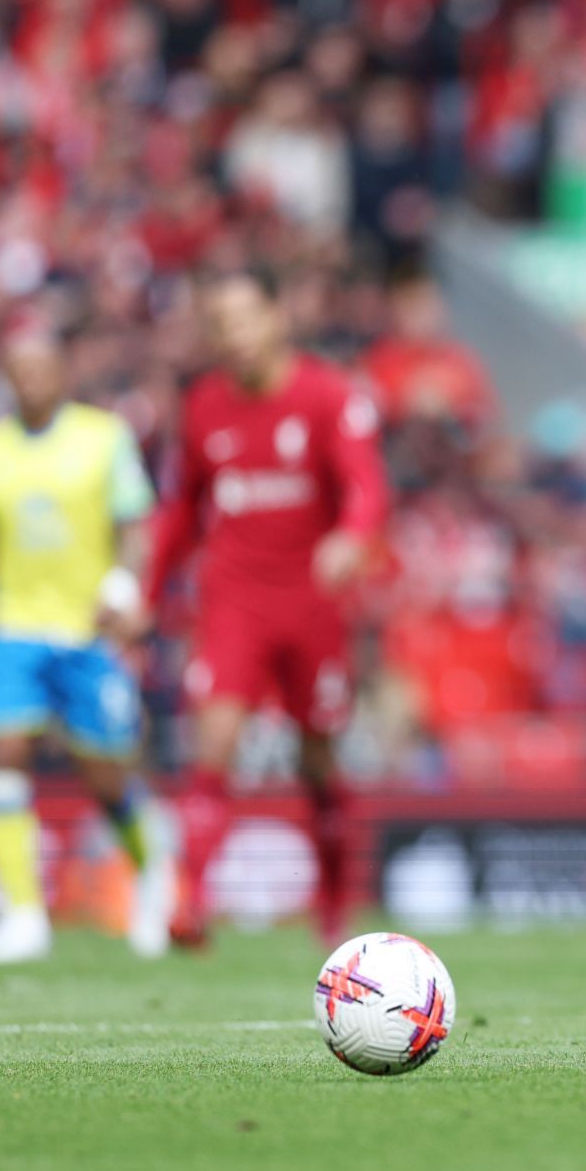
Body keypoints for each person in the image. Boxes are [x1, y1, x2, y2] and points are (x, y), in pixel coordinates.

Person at [145, 267, 389, 947]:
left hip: (312, 601)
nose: (236, 334)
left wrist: (351, 536)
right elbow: (178, 514)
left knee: (317, 760)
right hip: (233, 599)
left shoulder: (328, 396)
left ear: (277, 318)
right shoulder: (202, 406)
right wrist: (146, 594)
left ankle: (334, 903)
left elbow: (365, 485)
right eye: (221, 323)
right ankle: (190, 902)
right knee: (213, 743)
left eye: (246, 317)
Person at [0, 325, 172, 963]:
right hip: (14, 627)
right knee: (5, 751)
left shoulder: (103, 437)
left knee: (105, 775)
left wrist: (126, 590)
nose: (29, 378)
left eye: (40, 366)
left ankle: (154, 878)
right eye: (18, 368)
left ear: (63, 370)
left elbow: (135, 527)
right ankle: (23, 914)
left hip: (88, 631)